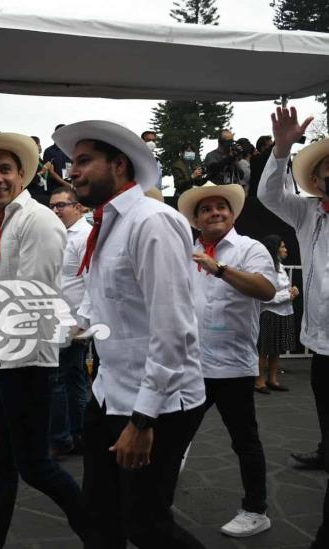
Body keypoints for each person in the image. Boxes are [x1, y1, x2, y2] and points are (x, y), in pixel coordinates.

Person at [52, 120, 207, 548]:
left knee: (145, 524)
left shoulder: (152, 221)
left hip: (157, 404)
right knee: (97, 517)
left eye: (84, 161)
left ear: (119, 165)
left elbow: (172, 326)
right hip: (109, 392)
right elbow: (102, 305)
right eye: (71, 163)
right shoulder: (108, 223)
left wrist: (143, 420)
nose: (72, 172)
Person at [0, 131, 87, 548]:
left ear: (22, 174)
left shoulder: (39, 221)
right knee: (1, 463)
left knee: (35, 466)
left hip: (26, 362)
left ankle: (101, 529)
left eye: (5, 170)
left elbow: (34, 297)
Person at [178, 182, 276, 537]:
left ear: (232, 214)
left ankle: (256, 510)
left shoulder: (250, 248)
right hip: (191, 364)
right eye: (206, 209)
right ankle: (154, 496)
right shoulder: (185, 252)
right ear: (197, 219)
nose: (214, 213)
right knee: (174, 434)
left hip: (233, 366)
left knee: (245, 441)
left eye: (221, 207)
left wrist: (220, 269)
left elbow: (267, 289)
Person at [257, 107, 329, 477]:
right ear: (316, 182)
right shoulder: (308, 213)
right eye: (326, 170)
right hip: (322, 335)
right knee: (323, 394)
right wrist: (281, 149)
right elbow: (269, 194)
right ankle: (327, 449)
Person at [47, 187, 91, 458]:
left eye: (61, 205)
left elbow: (91, 281)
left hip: (72, 321)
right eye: (53, 206)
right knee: (74, 379)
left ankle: (60, 439)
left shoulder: (84, 236)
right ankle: (79, 434)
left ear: (79, 207)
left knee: (58, 381)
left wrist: (83, 322)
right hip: (58, 319)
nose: (55, 210)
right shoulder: (58, 234)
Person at [254, 235, 297, 394]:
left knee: (276, 349)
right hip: (269, 314)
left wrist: (292, 291)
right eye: (283, 246)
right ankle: (259, 382)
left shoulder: (280, 266)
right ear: (275, 248)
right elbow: (265, 295)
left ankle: (272, 379)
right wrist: (287, 295)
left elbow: (282, 288)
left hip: (283, 312)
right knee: (263, 349)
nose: (286, 249)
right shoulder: (266, 268)